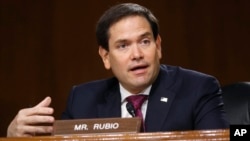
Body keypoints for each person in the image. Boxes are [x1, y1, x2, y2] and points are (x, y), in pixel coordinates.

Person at [7, 3, 229, 137]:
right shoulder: (83, 99)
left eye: (144, 41)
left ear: (158, 46)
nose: (137, 55)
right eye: (123, 46)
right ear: (105, 57)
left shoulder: (197, 88)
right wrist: (17, 137)